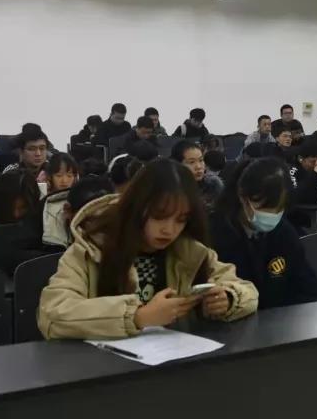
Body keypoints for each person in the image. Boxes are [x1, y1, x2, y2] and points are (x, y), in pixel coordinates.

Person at [38, 159, 258, 339]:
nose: (169, 230)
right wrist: (138, 316)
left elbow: (247, 292)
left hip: (173, 365)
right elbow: (52, 314)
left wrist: (228, 298)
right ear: (137, 208)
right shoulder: (91, 248)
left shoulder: (190, 251)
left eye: (181, 219)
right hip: (105, 370)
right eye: (159, 216)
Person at [211, 158, 317, 309]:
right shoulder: (215, 232)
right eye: (264, 207)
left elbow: (308, 290)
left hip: (281, 319)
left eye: (278, 208)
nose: (271, 214)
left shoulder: (284, 232)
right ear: (243, 197)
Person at [171, 141, 223, 213]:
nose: (198, 167)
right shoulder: (171, 191)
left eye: (201, 160)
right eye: (191, 162)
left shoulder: (213, 186)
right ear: (177, 165)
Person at [42, 153, 81, 248]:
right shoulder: (43, 200)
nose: (64, 181)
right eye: (59, 176)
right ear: (50, 177)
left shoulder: (80, 199)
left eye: (69, 176)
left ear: (75, 177)